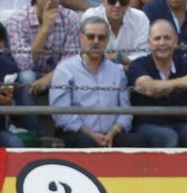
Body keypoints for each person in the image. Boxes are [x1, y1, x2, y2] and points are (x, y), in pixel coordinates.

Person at [53, 15, 159, 144]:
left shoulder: (117, 71)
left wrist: (112, 133)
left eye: (101, 37)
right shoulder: (65, 70)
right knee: (86, 143)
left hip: (111, 134)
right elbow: (61, 115)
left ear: (107, 40)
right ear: (81, 38)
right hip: (77, 133)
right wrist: (91, 135)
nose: (96, 41)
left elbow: (126, 110)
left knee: (136, 142)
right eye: (91, 37)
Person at [128, 16, 187, 145]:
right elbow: (147, 87)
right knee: (168, 136)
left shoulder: (184, 64)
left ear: (176, 41)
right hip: (146, 125)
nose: (162, 43)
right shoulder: (138, 64)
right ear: (149, 42)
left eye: (167, 38)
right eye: (157, 38)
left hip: (179, 123)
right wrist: (181, 82)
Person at [6, 0, 81, 90]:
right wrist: (45, 28)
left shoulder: (70, 18)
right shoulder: (17, 20)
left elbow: (71, 60)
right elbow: (24, 64)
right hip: (30, 75)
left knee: (70, 75)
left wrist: (48, 79)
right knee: (27, 77)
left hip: (58, 74)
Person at [84, 0, 150, 59]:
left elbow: (143, 54)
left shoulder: (140, 18)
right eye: (112, 0)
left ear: (129, 3)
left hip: (131, 70)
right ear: (103, 1)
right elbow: (89, 54)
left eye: (123, 1)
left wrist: (117, 59)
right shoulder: (91, 17)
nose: (117, 5)